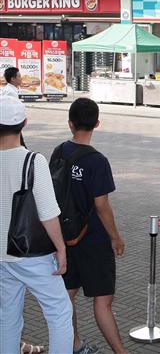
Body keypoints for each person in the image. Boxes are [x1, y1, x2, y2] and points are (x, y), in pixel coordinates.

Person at [0, 96, 73, 354]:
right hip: (30, 254)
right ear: (24, 124)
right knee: (59, 311)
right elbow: (48, 213)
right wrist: (61, 248)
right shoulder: (33, 161)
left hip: (1, 256)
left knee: (8, 316)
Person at [57, 98, 127, 354]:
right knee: (103, 301)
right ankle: (121, 352)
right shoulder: (98, 161)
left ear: (70, 123)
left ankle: (74, 344)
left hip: (66, 237)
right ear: (97, 123)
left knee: (67, 295)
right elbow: (102, 205)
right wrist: (116, 237)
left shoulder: (59, 152)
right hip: (95, 239)